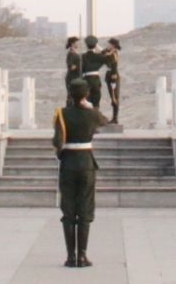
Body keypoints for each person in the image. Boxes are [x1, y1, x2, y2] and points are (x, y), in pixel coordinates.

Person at [53, 78, 109, 267]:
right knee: (85, 209)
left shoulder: (62, 114)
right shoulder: (92, 114)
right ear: (86, 94)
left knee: (68, 210)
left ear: (69, 93)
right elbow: (105, 121)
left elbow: (57, 141)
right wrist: (90, 106)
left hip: (68, 163)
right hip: (86, 163)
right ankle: (82, 256)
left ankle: (70, 257)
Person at [104, 38, 122, 123]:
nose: (108, 45)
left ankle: (115, 118)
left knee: (114, 97)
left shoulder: (114, 54)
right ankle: (114, 118)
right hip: (109, 75)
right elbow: (103, 53)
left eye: (109, 44)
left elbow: (114, 68)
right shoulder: (110, 52)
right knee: (112, 97)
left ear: (113, 45)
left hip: (113, 76)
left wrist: (113, 84)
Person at [64, 36, 82, 104]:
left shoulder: (75, 53)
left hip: (76, 77)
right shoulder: (70, 54)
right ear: (72, 44)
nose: (78, 44)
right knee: (71, 97)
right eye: (77, 42)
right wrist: (78, 65)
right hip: (71, 78)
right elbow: (71, 67)